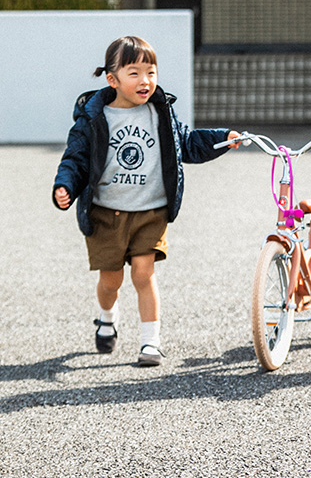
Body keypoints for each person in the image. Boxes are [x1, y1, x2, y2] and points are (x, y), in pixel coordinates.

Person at [53, 35, 239, 366]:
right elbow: (76, 159)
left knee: (143, 272)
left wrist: (222, 139)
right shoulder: (95, 118)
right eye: (135, 73)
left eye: (151, 72)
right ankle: (107, 317)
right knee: (111, 281)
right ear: (113, 79)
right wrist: (64, 185)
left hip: (150, 211)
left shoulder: (161, 113)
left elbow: (189, 144)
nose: (145, 81)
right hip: (105, 213)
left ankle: (150, 343)